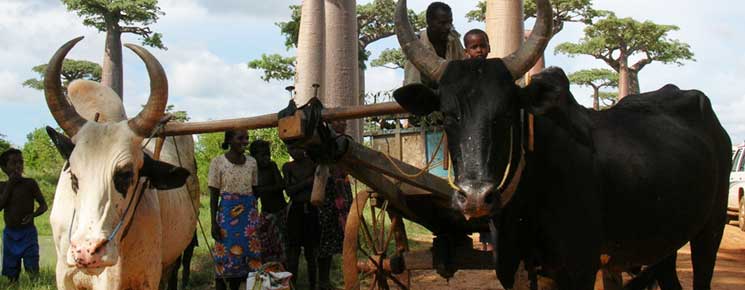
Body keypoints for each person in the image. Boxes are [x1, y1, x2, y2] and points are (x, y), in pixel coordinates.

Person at [209, 130, 262, 290]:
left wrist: (252, 212)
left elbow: (255, 190)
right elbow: (213, 196)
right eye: (240, 138)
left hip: (248, 216)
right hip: (227, 216)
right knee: (225, 258)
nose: (245, 142)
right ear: (229, 140)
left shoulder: (252, 162)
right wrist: (213, 223)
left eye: (246, 138)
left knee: (248, 257)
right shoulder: (218, 162)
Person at [463, 28, 495, 252]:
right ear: (466, 51)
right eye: (474, 47)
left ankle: (490, 241)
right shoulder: (461, 75)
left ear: (489, 47)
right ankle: (486, 242)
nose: (479, 51)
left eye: (482, 46)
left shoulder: (498, 72)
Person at [0, 148, 47, 282]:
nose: (18, 166)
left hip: (28, 233)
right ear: (4, 168)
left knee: (32, 268)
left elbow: (43, 205)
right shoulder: (2, 186)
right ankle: (13, 284)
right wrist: (10, 185)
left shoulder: (30, 184)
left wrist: (33, 215)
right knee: (11, 272)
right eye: (14, 163)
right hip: (10, 234)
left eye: (20, 162)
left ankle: (34, 285)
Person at [317, 121, 354, 290]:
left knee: (346, 234)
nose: (343, 123)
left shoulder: (347, 141)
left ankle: (347, 275)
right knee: (326, 236)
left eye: (344, 121)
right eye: (338, 121)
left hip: (342, 188)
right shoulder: (323, 142)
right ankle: (324, 280)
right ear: (330, 125)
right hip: (328, 190)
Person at [404, 1, 465, 88]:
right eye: (442, 23)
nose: (448, 27)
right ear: (429, 22)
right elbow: (412, 84)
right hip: (426, 96)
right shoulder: (417, 44)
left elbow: (463, 66)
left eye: (450, 22)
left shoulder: (453, 39)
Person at [282, 147, 319, 289]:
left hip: (311, 210)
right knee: (294, 252)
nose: (293, 151)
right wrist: (307, 182)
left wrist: (300, 185)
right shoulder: (287, 167)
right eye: (290, 148)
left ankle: (313, 285)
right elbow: (289, 191)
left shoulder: (313, 163)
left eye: (296, 147)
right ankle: (292, 285)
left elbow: (319, 183)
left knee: (311, 253)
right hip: (295, 210)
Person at [250, 140, 287, 264]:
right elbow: (255, 195)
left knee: (283, 246)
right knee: (267, 246)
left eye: (268, 154)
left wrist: (262, 189)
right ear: (254, 157)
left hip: (281, 211)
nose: (266, 158)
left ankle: (286, 275)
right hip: (266, 212)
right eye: (263, 155)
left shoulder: (272, 166)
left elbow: (281, 185)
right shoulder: (254, 172)